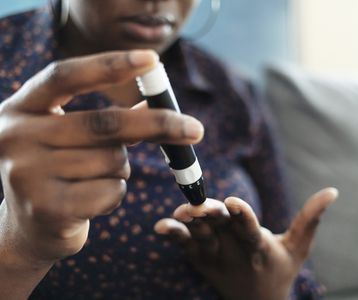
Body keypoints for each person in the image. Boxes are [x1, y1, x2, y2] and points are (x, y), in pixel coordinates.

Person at [0, 0, 337, 299]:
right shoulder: (9, 62)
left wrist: (270, 292)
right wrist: (18, 251)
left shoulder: (231, 92)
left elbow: (285, 257)